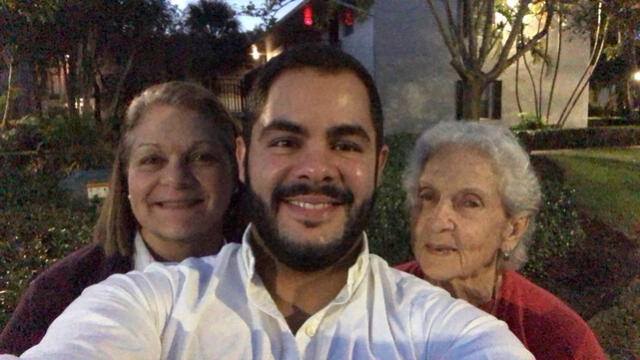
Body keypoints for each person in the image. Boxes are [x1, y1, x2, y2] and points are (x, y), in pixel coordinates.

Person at [0, 44, 534, 359]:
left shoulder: (438, 327)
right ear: (245, 156)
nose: (315, 168)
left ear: (378, 164)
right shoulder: (148, 302)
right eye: (285, 141)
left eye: (345, 144)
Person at [0, 81, 244, 355]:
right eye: (152, 159)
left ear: (235, 169)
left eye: (201, 157)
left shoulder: (278, 281)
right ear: (125, 176)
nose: (176, 178)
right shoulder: (60, 292)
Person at [396, 121, 606, 359]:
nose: (436, 221)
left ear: (513, 230)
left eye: (469, 202)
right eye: (427, 196)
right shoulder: (372, 305)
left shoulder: (558, 338)